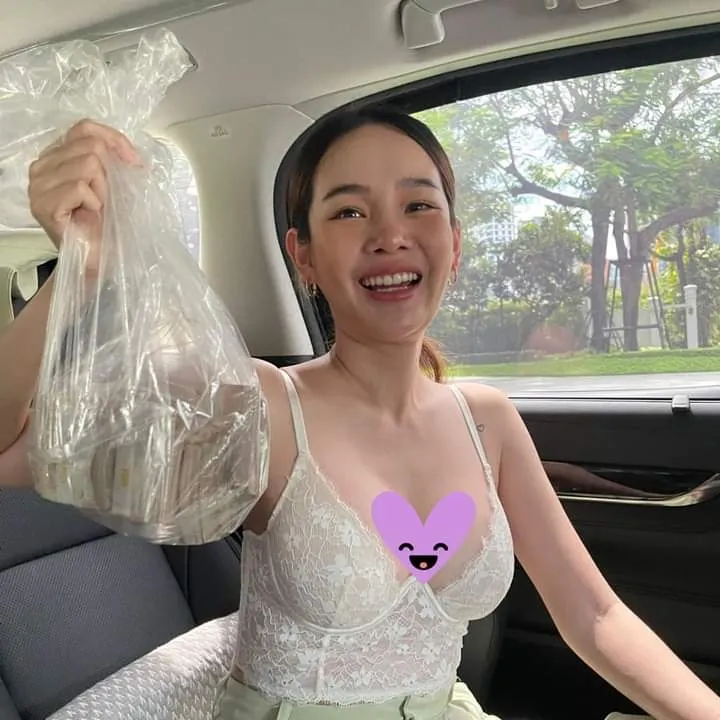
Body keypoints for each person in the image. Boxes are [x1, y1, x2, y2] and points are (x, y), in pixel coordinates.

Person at [0, 107, 718, 720]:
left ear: (455, 244)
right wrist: (82, 268)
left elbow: (595, 616)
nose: (390, 234)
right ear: (304, 256)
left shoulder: (488, 420)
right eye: (348, 211)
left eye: (419, 205)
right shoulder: (261, 405)